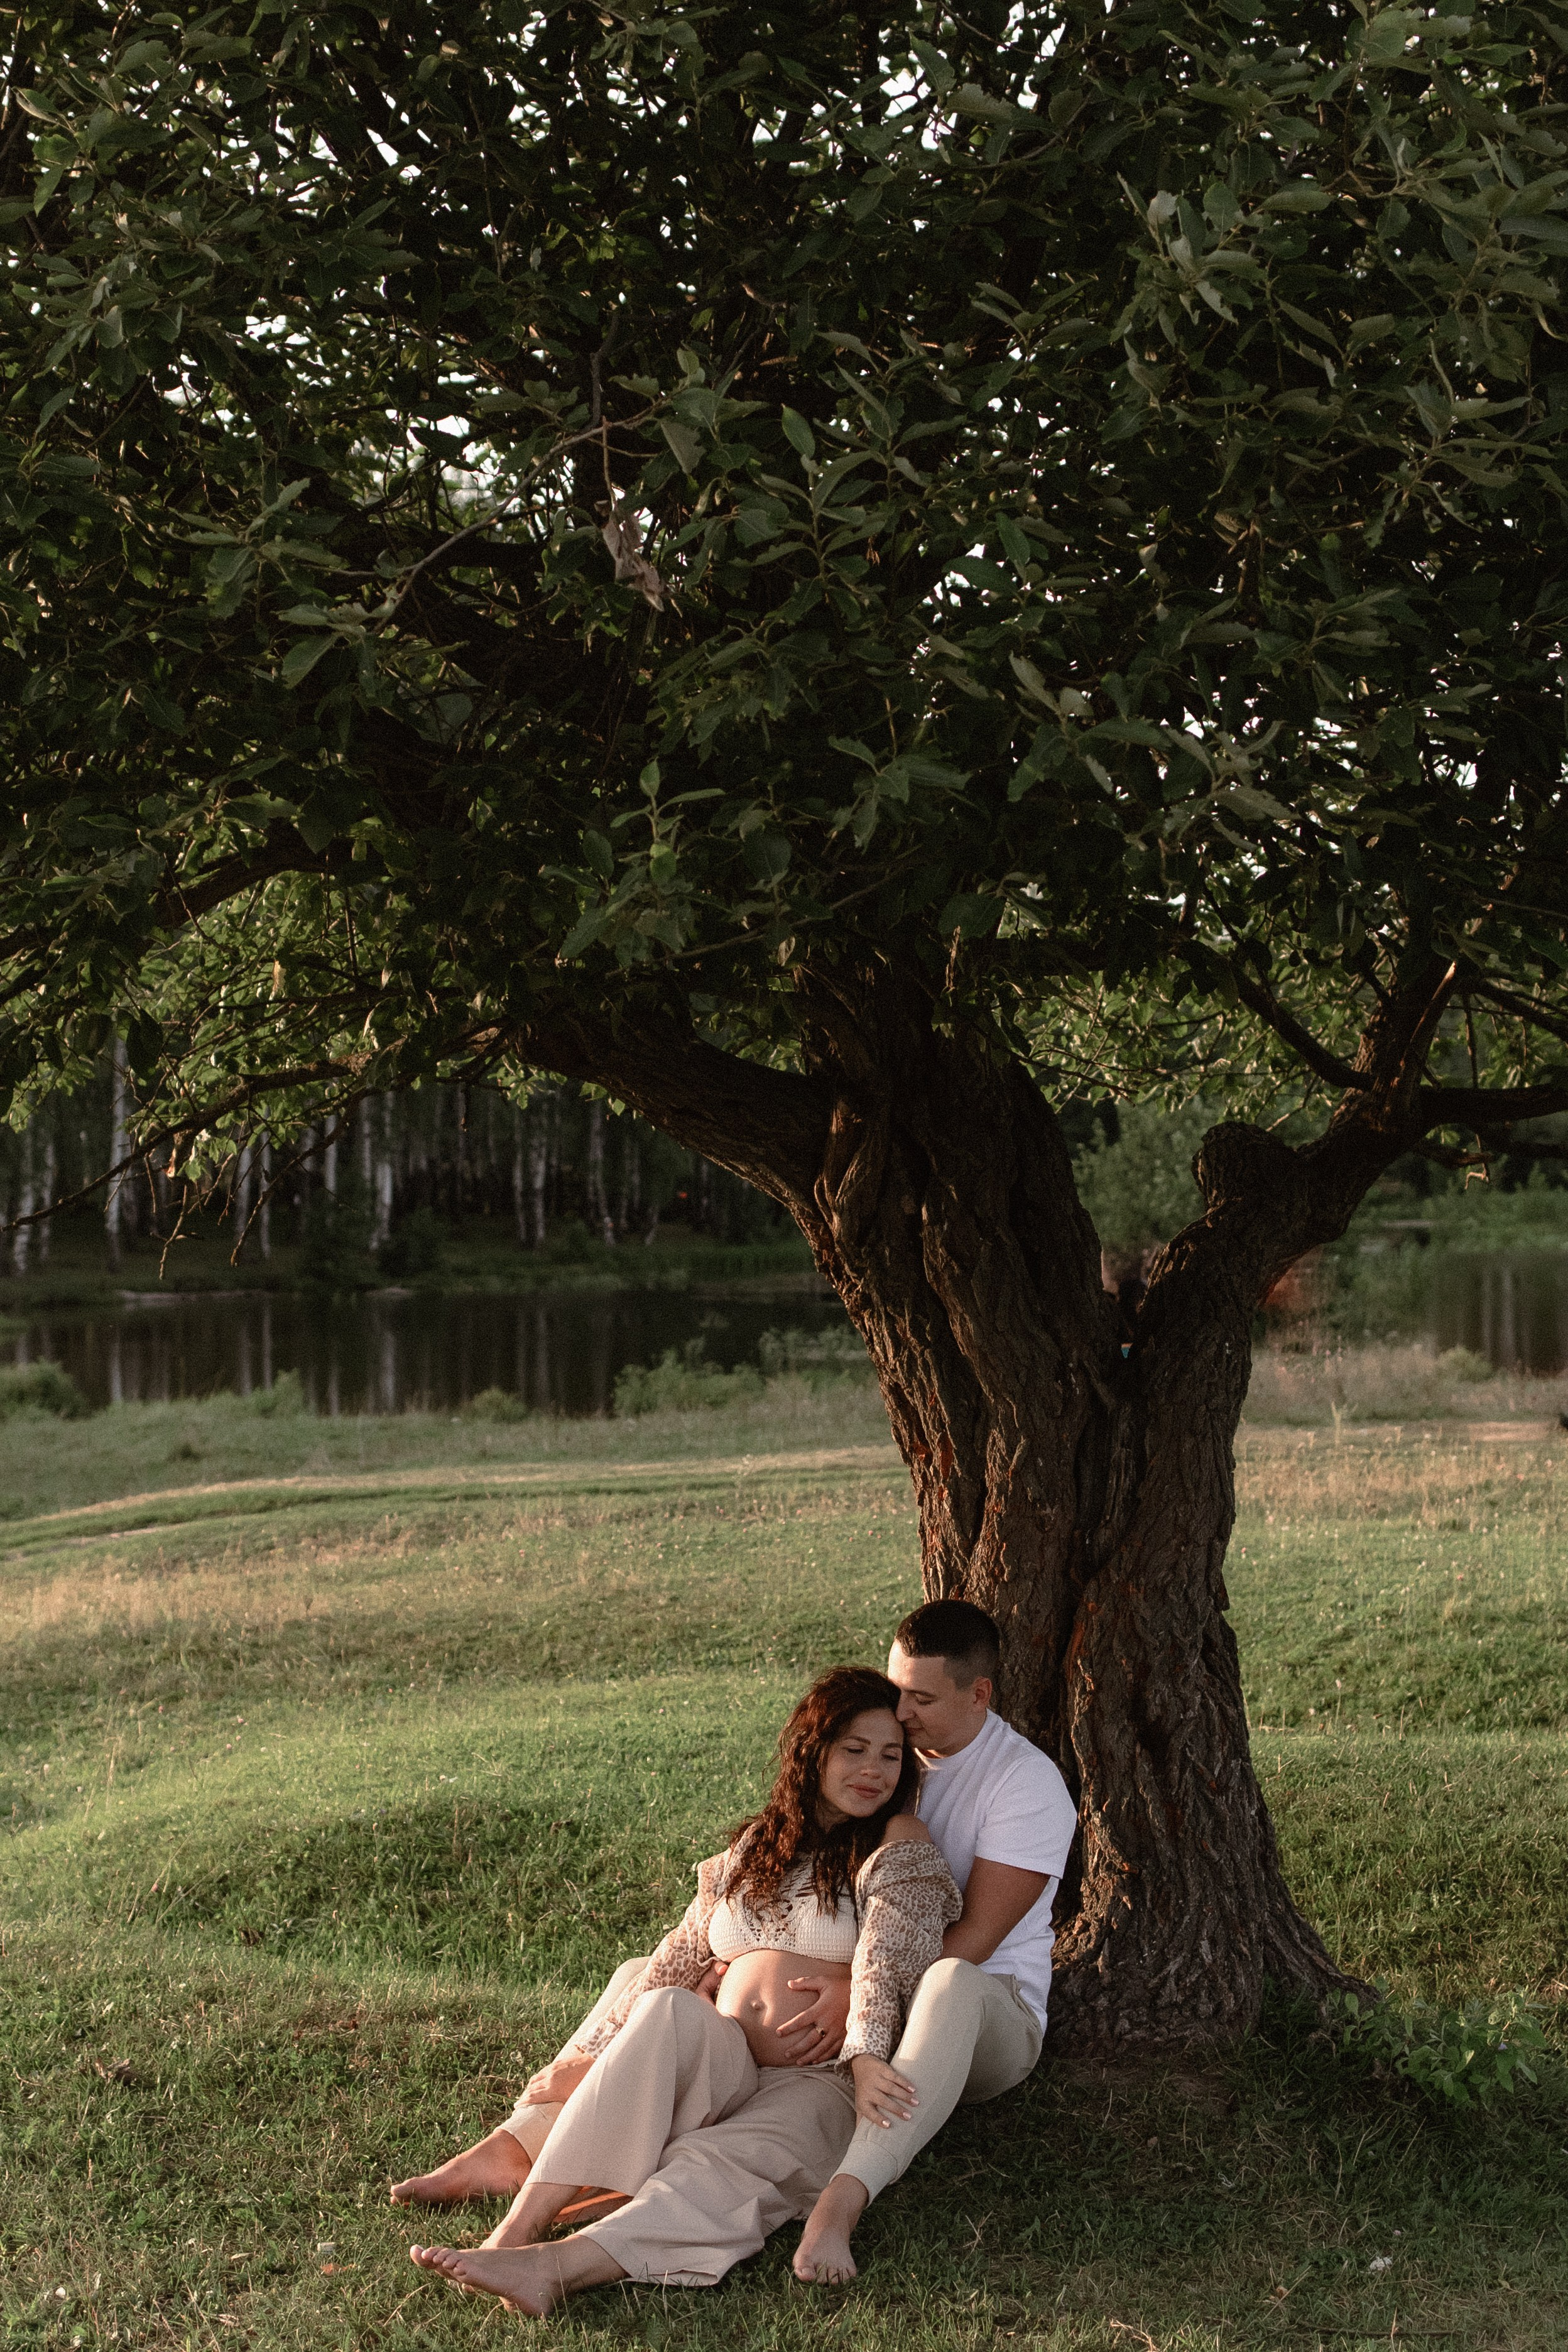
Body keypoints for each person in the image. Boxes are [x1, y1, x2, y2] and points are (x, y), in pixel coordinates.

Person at [405, 1666, 961, 2314]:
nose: (874, 1771)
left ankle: (556, 2268)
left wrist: (865, 2058)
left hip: (822, 2077)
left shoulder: (898, 1844)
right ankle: (518, 2230)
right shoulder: (759, 1845)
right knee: (668, 2005)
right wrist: (596, 2053)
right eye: (855, 1751)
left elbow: (890, 1964)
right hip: (725, 2054)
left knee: (719, 2167)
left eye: (891, 1756)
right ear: (812, 1753)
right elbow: (679, 1953)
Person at [792, 1599, 1079, 2284]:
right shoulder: (882, 1759)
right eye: (897, 1689)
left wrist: (857, 1996)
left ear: (978, 1694)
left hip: (988, 2011)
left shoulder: (1026, 1784)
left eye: (920, 1697)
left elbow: (973, 1941)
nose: (901, 1710)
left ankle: (840, 2205)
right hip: (873, 1991)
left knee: (950, 1984)